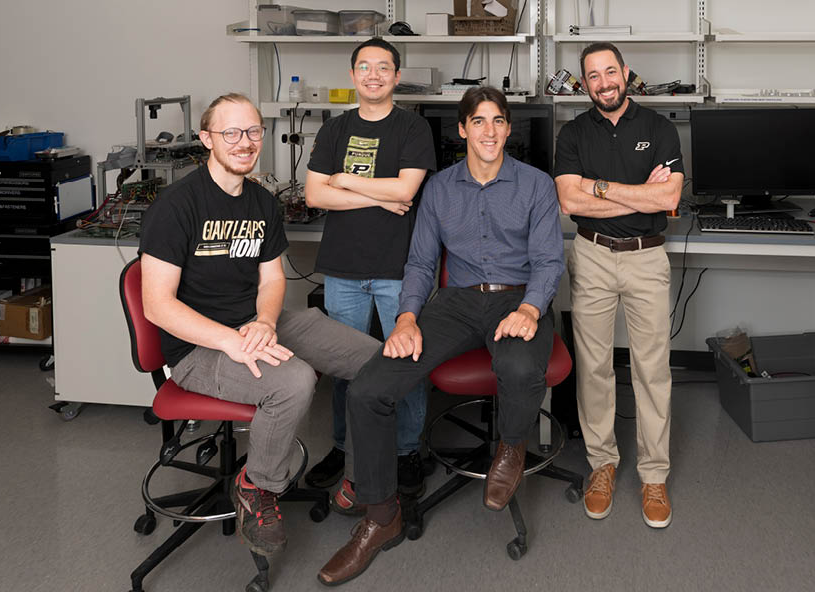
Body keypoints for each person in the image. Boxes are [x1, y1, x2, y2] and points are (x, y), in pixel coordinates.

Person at [318, 87, 564, 585]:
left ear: (508, 129)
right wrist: (407, 317)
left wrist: (531, 308)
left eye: (498, 121)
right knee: (368, 389)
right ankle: (380, 517)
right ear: (462, 130)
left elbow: (548, 260)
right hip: (454, 303)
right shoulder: (440, 188)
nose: (489, 131)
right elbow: (421, 261)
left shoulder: (537, 185)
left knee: (518, 367)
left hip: (517, 296)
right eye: (479, 121)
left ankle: (512, 446)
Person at [138, 93, 381, 556]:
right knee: (293, 382)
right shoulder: (177, 207)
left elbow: (272, 279)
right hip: (198, 346)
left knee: (372, 358)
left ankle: (359, 473)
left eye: (253, 131)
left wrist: (265, 323)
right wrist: (233, 341)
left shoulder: (262, 203)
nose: (244, 142)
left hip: (256, 323)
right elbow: (157, 306)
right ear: (207, 139)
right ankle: (257, 486)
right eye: (231, 132)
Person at [553, 42, 683, 529]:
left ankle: (654, 475)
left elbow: (668, 197)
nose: (604, 82)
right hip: (591, 256)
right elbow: (569, 202)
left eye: (611, 72)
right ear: (584, 84)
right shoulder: (572, 134)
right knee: (594, 368)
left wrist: (600, 187)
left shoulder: (659, 128)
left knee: (652, 370)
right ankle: (602, 466)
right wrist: (639, 197)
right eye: (593, 76)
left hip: (647, 258)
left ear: (626, 73)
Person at [304, 37, 436, 509]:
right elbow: (315, 196)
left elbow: (408, 186)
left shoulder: (412, 129)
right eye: (365, 67)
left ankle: (405, 452)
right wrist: (380, 196)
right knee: (344, 367)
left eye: (384, 67)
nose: (374, 74)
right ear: (353, 75)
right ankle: (344, 448)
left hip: (399, 268)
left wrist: (345, 180)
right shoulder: (335, 128)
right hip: (343, 268)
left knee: (404, 363)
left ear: (397, 76)